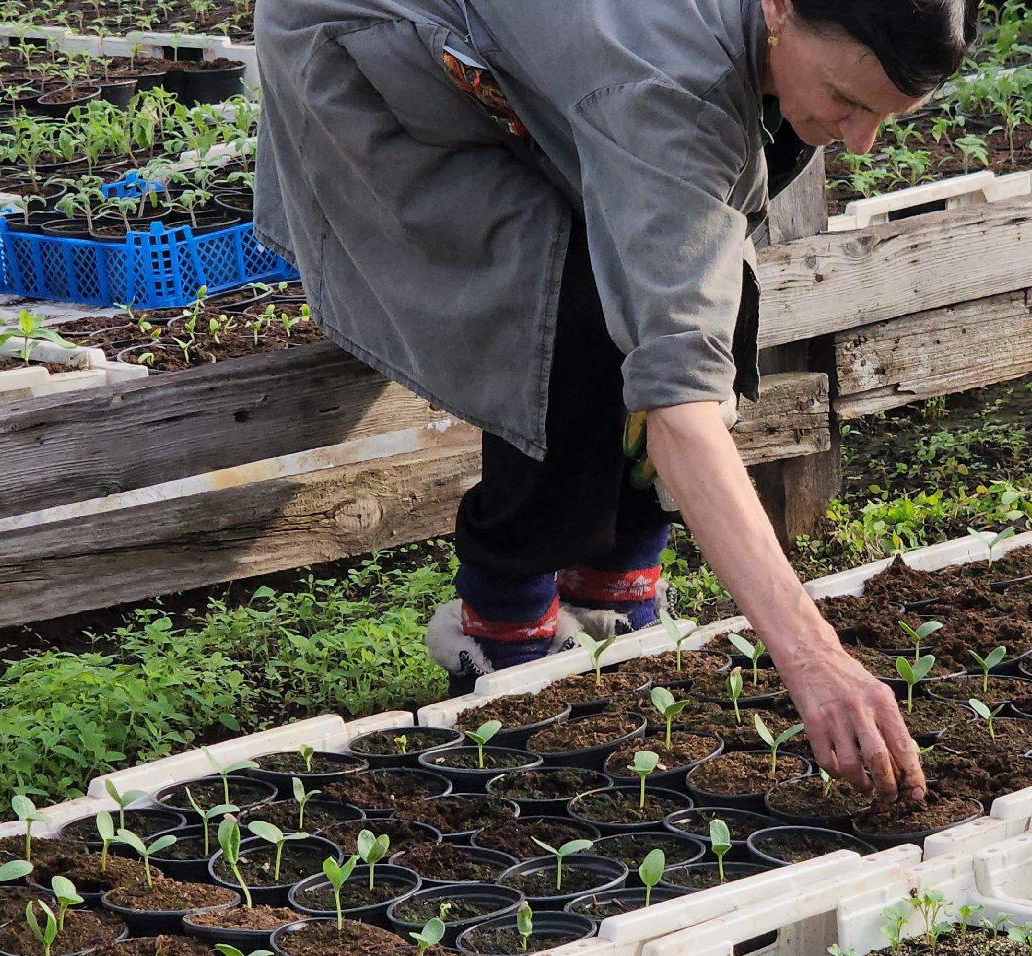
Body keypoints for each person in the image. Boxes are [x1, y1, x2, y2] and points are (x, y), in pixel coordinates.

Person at [252, 0, 978, 802]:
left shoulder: (737, 67)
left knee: (683, 275)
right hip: (375, 46)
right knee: (559, 297)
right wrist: (812, 656)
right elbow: (680, 409)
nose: (861, 139)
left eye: (886, 115)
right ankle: (502, 626)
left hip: (563, 46)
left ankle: (613, 591)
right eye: (847, 99)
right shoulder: (664, 88)